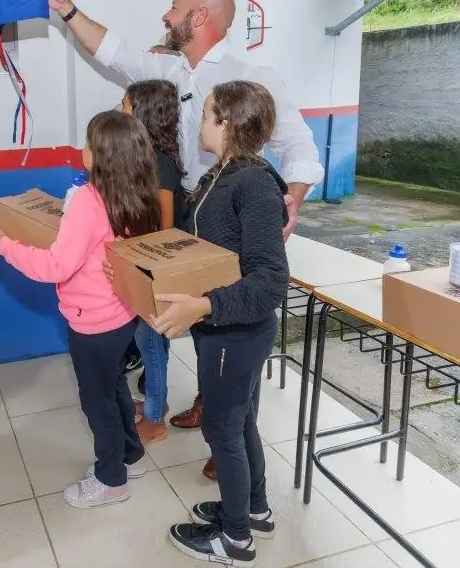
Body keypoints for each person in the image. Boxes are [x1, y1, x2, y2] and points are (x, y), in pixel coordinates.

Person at [48, 0, 322, 480]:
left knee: (236, 326)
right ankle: (210, 400)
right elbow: (116, 53)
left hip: (236, 222)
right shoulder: (175, 67)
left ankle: (231, 436)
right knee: (204, 326)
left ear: (200, 18)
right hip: (196, 219)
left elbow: (302, 146)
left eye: (174, 8)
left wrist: (292, 199)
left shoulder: (251, 73)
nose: (166, 16)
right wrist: (67, 11)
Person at [0, 111, 161, 509]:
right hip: (120, 316)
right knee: (113, 386)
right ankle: (130, 457)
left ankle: (111, 479)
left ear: (102, 156)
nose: (83, 148)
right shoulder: (138, 197)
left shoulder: (88, 201)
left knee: (96, 400)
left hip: (92, 323)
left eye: (89, 143)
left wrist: (5, 246)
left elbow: (56, 267)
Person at [149, 80, 288, 567]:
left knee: (223, 431)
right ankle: (253, 508)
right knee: (242, 421)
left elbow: (271, 281)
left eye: (207, 115)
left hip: (236, 331)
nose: (200, 122)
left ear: (227, 124)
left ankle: (234, 540)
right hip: (226, 330)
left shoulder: (252, 184)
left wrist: (202, 307)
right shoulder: (222, 174)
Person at [119, 80, 184, 445]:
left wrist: (148, 275)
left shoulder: (161, 164)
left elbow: (165, 230)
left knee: (150, 342)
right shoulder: (146, 158)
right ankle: (154, 402)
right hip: (144, 265)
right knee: (151, 341)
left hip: (156, 270)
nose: (121, 111)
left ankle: (156, 418)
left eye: (126, 106)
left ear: (144, 113)